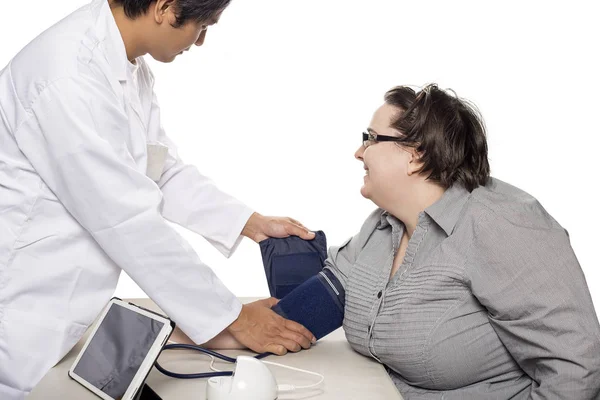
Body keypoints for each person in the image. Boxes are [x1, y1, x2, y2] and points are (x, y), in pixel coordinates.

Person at [198, 84, 600, 398]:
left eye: (371, 137)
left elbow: (575, 368)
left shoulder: (500, 224)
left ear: (417, 155)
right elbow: (291, 319)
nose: (359, 152)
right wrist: (178, 332)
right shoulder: (381, 228)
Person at [0, 0, 317, 398]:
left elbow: (158, 170)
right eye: (203, 26)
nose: (200, 41)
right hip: (26, 323)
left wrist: (251, 222)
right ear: (165, 8)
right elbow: (126, 219)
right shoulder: (66, 76)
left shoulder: (128, 67)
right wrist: (234, 320)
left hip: (76, 316)